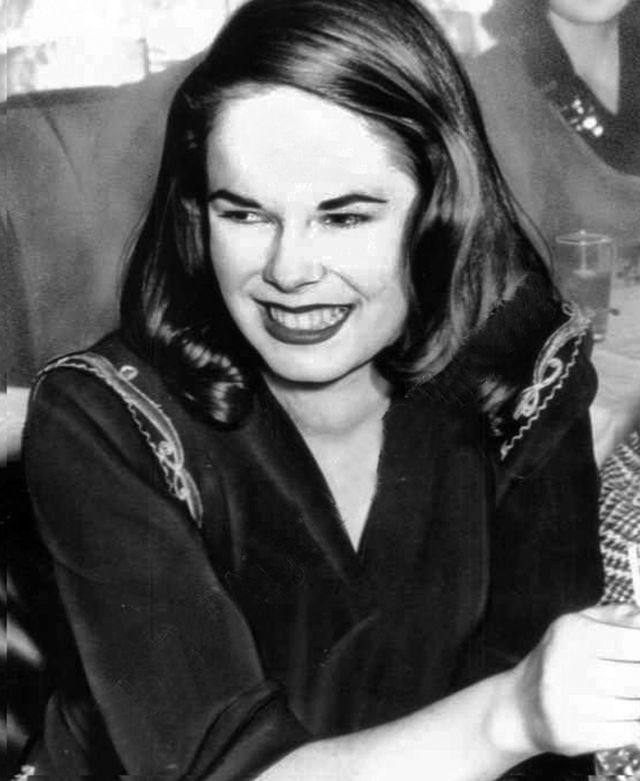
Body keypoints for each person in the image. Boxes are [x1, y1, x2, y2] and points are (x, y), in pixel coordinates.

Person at [20, 0, 640, 779]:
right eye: (245, 213)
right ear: (198, 214)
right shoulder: (105, 420)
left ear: (439, 210)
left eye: (344, 217)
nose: (289, 270)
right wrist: (516, 713)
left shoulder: (523, 367)